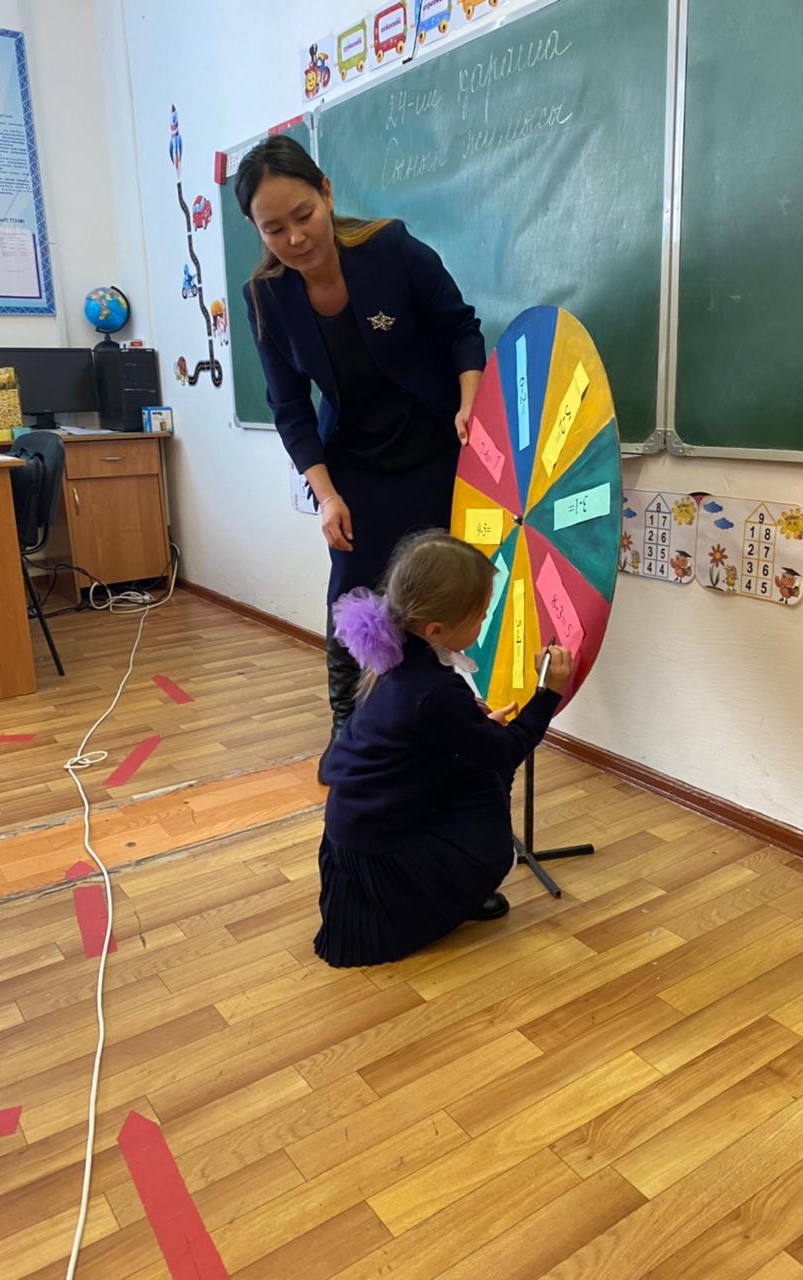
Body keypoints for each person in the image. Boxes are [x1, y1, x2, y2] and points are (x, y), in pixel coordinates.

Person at [235, 135, 485, 782]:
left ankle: (439, 723)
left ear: (326, 193)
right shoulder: (267, 296)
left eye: (303, 215)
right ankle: (349, 727)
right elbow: (289, 406)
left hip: (436, 448)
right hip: (352, 460)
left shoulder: (389, 248)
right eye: (274, 229)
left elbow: (460, 327)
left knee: (437, 587)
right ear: (256, 230)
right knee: (352, 589)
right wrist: (326, 495)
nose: (295, 238)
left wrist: (470, 401)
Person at [314, 531, 572, 969]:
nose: (484, 621)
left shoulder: (398, 655)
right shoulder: (433, 688)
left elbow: (420, 734)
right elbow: (504, 752)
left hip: (359, 832)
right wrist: (548, 693)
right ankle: (444, 895)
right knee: (487, 791)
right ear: (435, 630)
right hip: (380, 849)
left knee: (474, 767)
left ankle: (436, 887)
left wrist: (474, 727)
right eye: (481, 616)